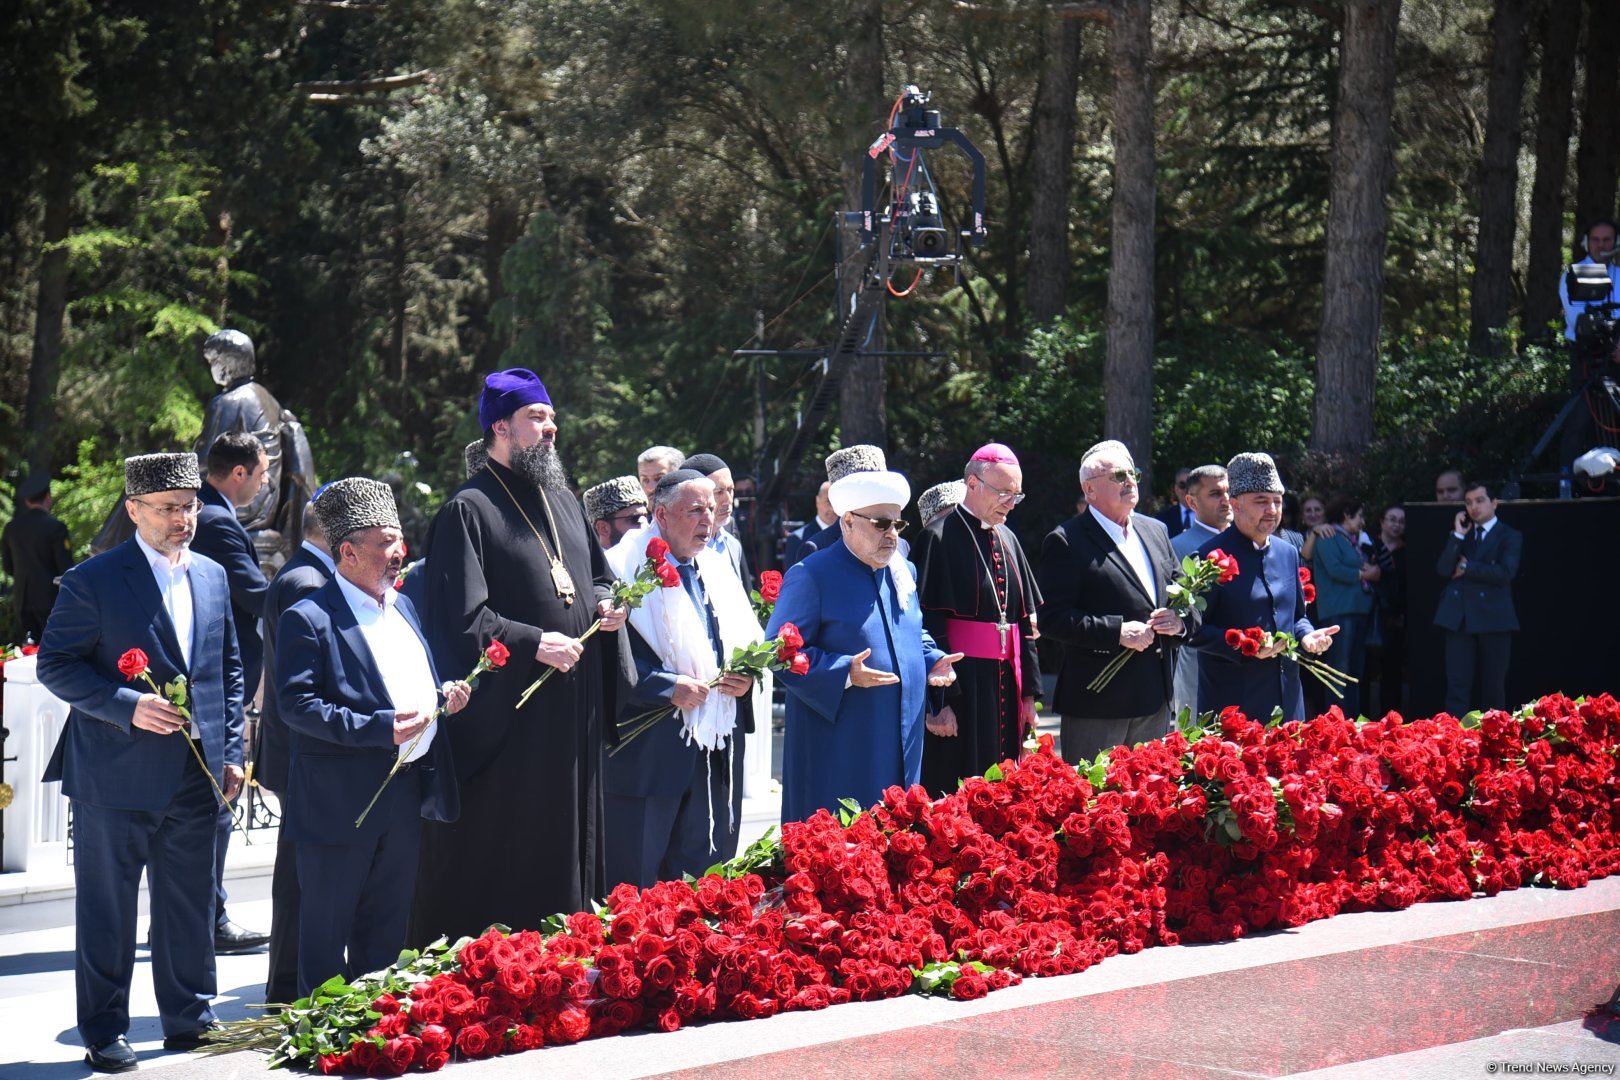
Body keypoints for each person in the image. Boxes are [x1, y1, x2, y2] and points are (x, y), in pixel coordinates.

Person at [37, 452, 245, 1072]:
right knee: (109, 907)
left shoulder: (211, 574)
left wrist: (231, 749)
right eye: (168, 509)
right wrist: (126, 705)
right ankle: (104, 1029)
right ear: (134, 511)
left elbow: (228, 668)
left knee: (189, 903)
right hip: (114, 775)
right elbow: (56, 664)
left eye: (190, 507)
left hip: (197, 772)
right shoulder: (93, 579)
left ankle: (190, 1017)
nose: (183, 518)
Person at [408, 368, 627, 945]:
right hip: (515, 721)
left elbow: (598, 577)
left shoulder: (564, 498)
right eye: (537, 417)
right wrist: (534, 643)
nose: (551, 427)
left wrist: (607, 605)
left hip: (571, 711)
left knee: (570, 834)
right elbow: (461, 619)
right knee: (519, 841)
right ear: (500, 427)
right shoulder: (468, 510)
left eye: (552, 416)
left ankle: (572, 949)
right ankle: (509, 961)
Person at [278, 478, 469, 996]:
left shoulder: (402, 607)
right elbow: (296, 706)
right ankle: (319, 1036)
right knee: (325, 937)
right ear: (348, 551)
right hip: (339, 804)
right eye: (386, 541)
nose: (399, 552)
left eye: (400, 538)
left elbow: (411, 679)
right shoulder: (308, 617)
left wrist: (442, 694)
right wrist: (376, 729)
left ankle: (376, 1032)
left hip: (403, 794)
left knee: (386, 930)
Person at [768, 468, 958, 821]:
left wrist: (932, 658)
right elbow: (780, 653)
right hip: (843, 741)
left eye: (897, 526)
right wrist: (844, 672)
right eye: (881, 524)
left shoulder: (902, 571)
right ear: (848, 522)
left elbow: (913, 629)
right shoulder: (812, 574)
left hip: (902, 735)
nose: (891, 535)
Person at [603, 470, 762, 885]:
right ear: (661, 515)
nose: (707, 519)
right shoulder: (621, 570)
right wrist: (666, 686)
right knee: (636, 882)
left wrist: (745, 682)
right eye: (695, 510)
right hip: (649, 753)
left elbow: (739, 642)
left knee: (700, 878)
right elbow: (610, 658)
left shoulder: (716, 568)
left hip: (711, 750)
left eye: (711, 509)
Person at [90, 329, 319, 570]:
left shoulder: (229, 401)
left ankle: (103, 559)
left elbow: (211, 458)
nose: (212, 370)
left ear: (226, 364)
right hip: (264, 499)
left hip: (243, 499)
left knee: (145, 484)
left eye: (214, 363)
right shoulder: (267, 399)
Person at [1039, 442, 1193, 765]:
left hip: (1156, 697)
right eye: (1118, 475)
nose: (1129, 482)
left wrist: (1180, 621)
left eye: (1132, 473)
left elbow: (1186, 600)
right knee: (1096, 803)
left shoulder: (1156, 530)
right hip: (1099, 704)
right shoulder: (1066, 540)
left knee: (1150, 804)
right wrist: (1117, 631)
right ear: (1089, 490)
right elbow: (1052, 618)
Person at [913, 443, 1042, 796]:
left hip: (1004, 686)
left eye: (1017, 495)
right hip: (962, 688)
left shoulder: (1009, 538)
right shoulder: (937, 537)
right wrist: (939, 704)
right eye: (1004, 493)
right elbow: (927, 627)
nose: (1011, 504)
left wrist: (1028, 695)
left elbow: (1024, 625)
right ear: (973, 484)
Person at [188, 432, 273, 956]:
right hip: (218, 683)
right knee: (217, 800)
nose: (265, 486)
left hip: (214, 680)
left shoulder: (212, 514)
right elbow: (255, 594)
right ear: (238, 473)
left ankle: (195, 913)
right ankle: (208, 917)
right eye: (262, 475)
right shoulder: (217, 521)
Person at [1189, 452, 1336, 723]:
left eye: (1277, 502)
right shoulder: (1210, 557)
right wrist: (1243, 645)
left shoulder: (1288, 552)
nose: (1272, 510)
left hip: (1287, 700)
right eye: (1261, 501)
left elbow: (1297, 616)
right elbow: (1192, 628)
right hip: (1232, 705)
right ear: (1235, 504)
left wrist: (1306, 636)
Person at [256, 498, 333, 1005]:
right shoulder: (307, 582)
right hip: (302, 755)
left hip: (295, 754)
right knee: (301, 880)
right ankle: (287, 987)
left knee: (300, 877)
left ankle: (288, 984)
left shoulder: (300, 573)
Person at [1434, 480, 1522, 716]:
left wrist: (1468, 567)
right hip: (1459, 616)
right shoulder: (1463, 535)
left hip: (1494, 617)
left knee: (1493, 687)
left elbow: (1506, 572)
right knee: (1457, 686)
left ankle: (1492, 744)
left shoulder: (1509, 536)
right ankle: (1453, 744)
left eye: (1480, 500)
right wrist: (1457, 535)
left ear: (1494, 503)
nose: (1474, 507)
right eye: (1469, 502)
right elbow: (1443, 569)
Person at [1170, 464, 1232, 716]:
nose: (1226, 500)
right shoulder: (1176, 547)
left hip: (1245, 662)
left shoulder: (1249, 542)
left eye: (1229, 492)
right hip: (1197, 666)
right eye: (1215, 494)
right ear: (1192, 502)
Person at [1309, 494, 1378, 717]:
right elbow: (1335, 568)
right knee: (1339, 669)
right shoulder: (1328, 536)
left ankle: (1353, 719)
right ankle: (1337, 721)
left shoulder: (1350, 538)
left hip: (1357, 609)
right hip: (1339, 611)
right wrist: (1363, 574)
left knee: (1355, 670)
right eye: (1359, 516)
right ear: (1347, 514)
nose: (1363, 522)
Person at [2, 471, 72, 642]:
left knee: (26, 650)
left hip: (22, 599)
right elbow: (66, 570)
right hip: (51, 600)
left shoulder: (11, 528)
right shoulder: (56, 528)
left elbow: (8, 566)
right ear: (48, 497)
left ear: (27, 501)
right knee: (54, 648)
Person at [681, 453, 752, 585]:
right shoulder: (678, 549)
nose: (728, 500)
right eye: (718, 492)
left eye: (730, 490)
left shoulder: (731, 542)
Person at [1368, 504, 1407, 717]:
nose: (1396, 525)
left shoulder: (1408, 550)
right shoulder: (1367, 545)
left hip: (1394, 618)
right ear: (1382, 521)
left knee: (1392, 672)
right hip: (1368, 616)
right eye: (1392, 519)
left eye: (1401, 521)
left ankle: (1391, 720)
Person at [1558, 219, 1620, 342]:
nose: (1601, 245)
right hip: (1585, 353)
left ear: (1616, 242)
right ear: (1586, 242)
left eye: (1606, 240)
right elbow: (1577, 319)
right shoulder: (1572, 275)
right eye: (1595, 240)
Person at [583, 476, 649, 549]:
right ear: (603, 528)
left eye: (646, 517)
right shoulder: (589, 560)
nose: (646, 526)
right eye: (635, 519)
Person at [782, 481, 835, 568]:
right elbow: (792, 579)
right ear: (817, 501)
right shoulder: (798, 539)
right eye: (828, 501)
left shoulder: (849, 537)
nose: (832, 508)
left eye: (837, 502)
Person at [1153, 467, 1194, 537]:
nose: (1187, 490)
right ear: (1176, 488)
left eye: (1190, 485)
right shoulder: (1162, 518)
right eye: (1182, 485)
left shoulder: (1208, 516)